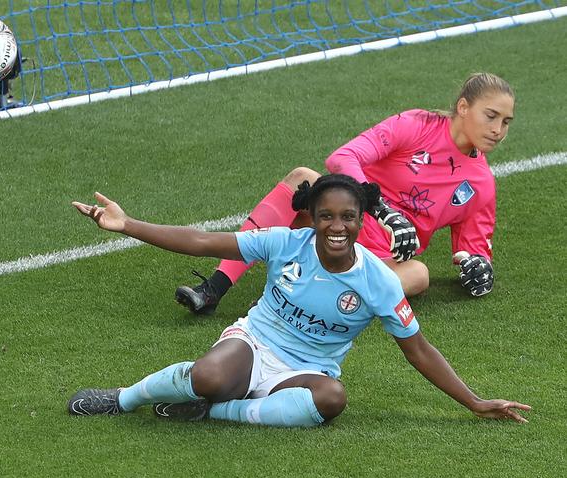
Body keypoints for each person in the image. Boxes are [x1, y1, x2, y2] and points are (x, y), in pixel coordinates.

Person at [67, 175, 530, 427]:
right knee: (208, 374)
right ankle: (123, 400)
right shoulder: (285, 243)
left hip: (308, 368)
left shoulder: (379, 281)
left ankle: (216, 410)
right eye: (325, 215)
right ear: (310, 216)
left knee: (331, 399)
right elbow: (204, 242)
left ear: (360, 220)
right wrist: (127, 225)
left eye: (347, 217)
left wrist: (474, 402)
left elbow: (419, 349)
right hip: (255, 342)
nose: (336, 226)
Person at [175, 72, 514, 315]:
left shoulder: (481, 185)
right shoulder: (415, 125)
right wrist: (379, 208)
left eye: (506, 122)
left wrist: (479, 271)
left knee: (418, 275)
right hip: (338, 223)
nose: (498, 130)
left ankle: (291, 302)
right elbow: (342, 157)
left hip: (374, 260)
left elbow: (472, 249)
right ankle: (215, 288)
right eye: (491, 116)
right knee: (302, 178)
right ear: (464, 107)